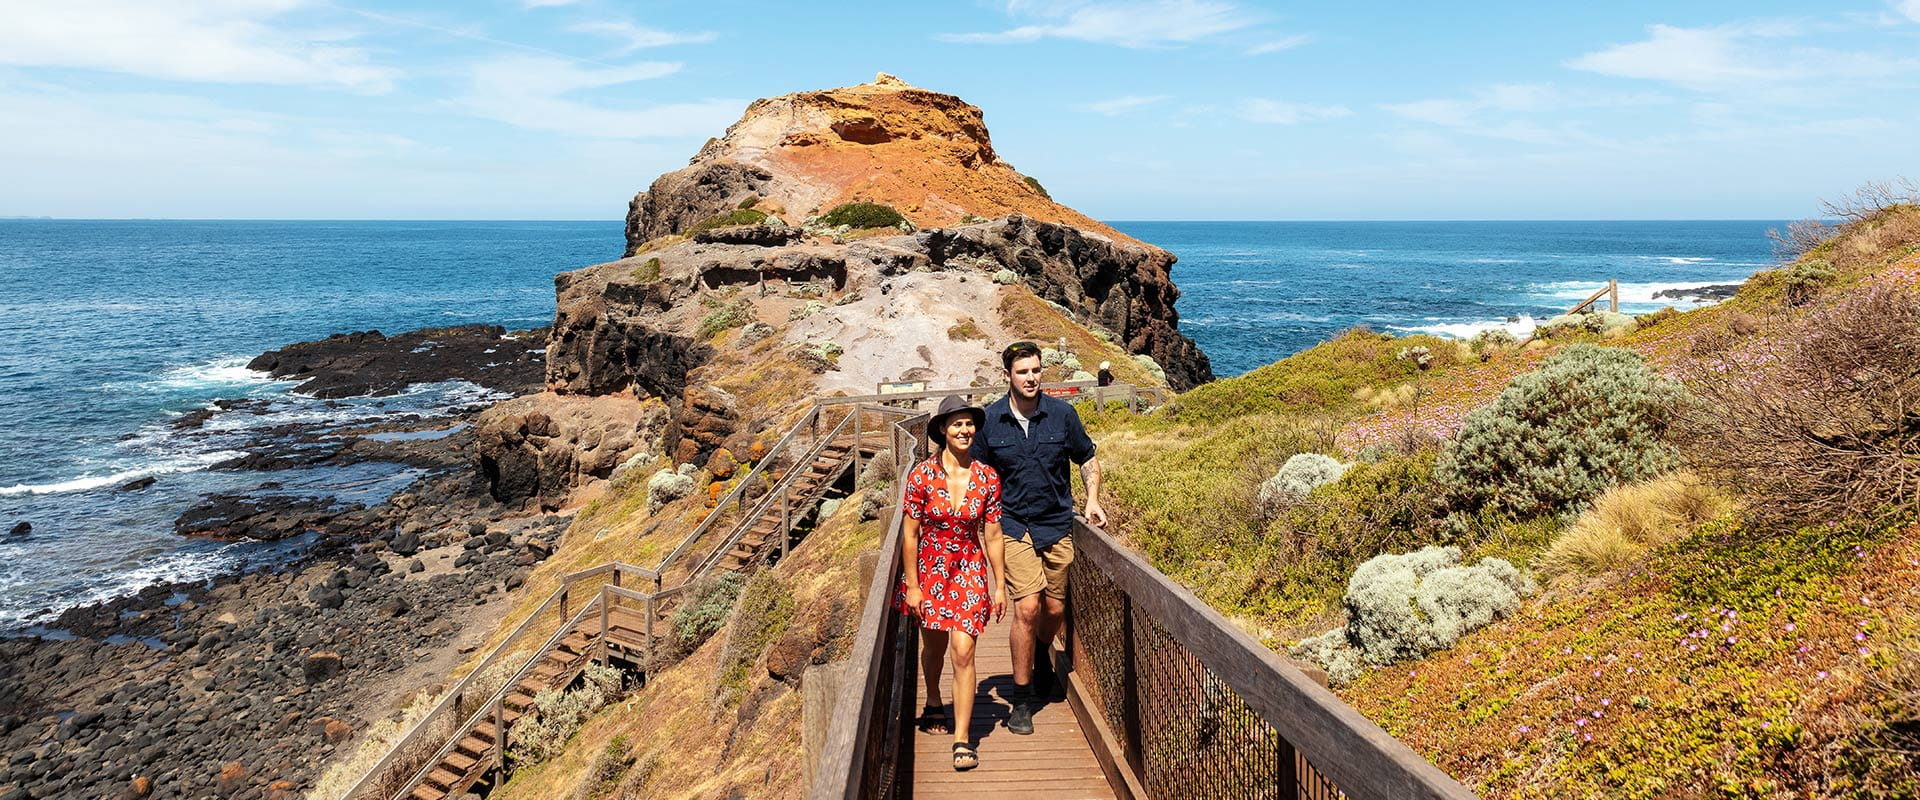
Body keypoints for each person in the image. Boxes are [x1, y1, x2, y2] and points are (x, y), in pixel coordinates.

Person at [973, 341, 1104, 735]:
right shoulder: (991, 421)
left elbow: (1088, 457)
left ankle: (1043, 654)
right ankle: (1022, 698)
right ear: (1007, 377)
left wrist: (1092, 500)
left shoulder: (1062, 416)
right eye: (1022, 372)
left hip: (1056, 524)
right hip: (1013, 526)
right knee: (1027, 607)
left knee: (1053, 611)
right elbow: (977, 472)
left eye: (1035, 370)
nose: (1030, 378)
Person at [896, 394, 1008, 771]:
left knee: (963, 650)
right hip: (930, 569)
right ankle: (932, 699)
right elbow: (910, 534)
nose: (964, 430)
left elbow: (992, 534)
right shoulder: (921, 476)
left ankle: (962, 738)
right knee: (935, 647)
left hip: (969, 569)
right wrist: (912, 585)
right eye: (956, 424)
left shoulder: (987, 477)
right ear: (943, 429)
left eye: (969, 423)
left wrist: (1000, 584)